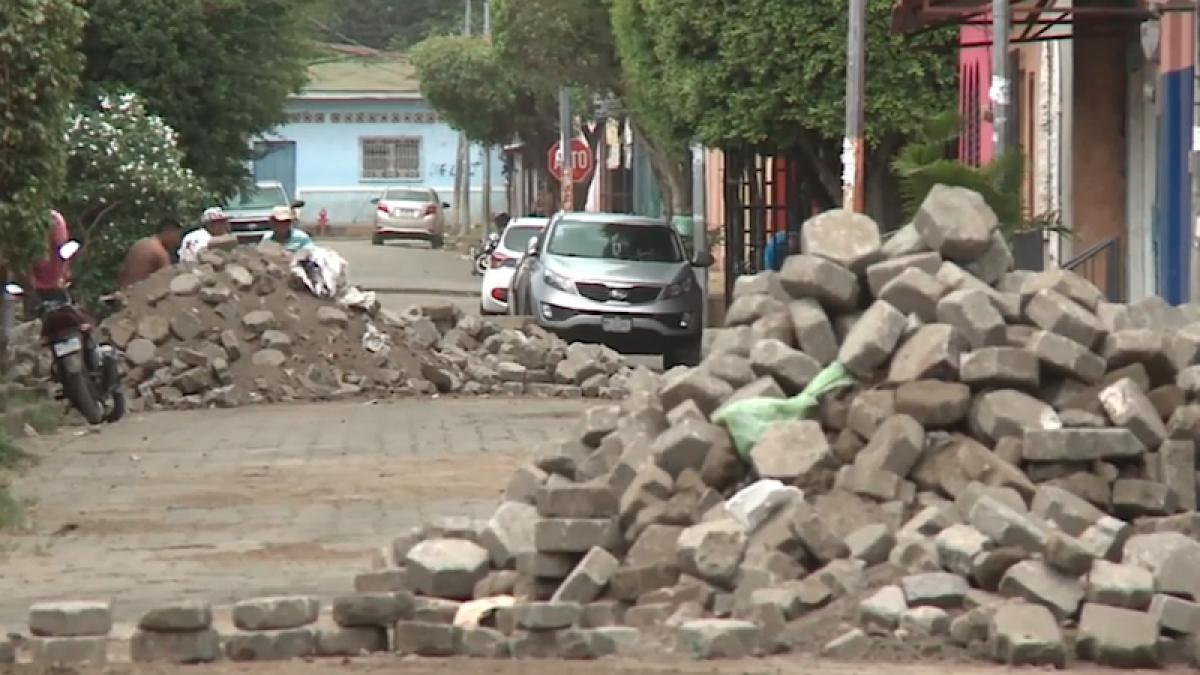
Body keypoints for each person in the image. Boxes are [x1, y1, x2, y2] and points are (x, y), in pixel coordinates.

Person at [24, 211, 73, 315]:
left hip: (55, 277)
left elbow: (63, 249)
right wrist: (31, 277)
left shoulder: (55, 219)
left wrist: (62, 275)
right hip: (38, 280)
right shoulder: (29, 219)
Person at [118, 219, 183, 288]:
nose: (177, 241)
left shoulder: (140, 243)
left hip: (124, 290)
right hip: (139, 293)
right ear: (169, 233)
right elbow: (168, 280)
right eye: (177, 236)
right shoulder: (160, 252)